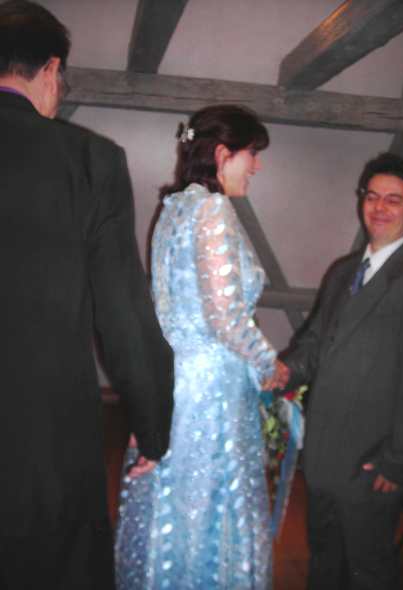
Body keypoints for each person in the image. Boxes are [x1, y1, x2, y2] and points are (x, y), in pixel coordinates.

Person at [0, 2, 173, 589]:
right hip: (43, 442)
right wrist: (153, 426)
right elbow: (123, 312)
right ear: (51, 69)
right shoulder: (90, 160)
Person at [115, 104, 289, 590]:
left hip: (176, 380)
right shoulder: (212, 209)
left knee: (176, 501)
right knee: (209, 502)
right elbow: (225, 316)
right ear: (222, 154)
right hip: (211, 389)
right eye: (252, 154)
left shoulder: (173, 209)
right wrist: (269, 363)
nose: (257, 166)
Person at [284, 152, 403, 590]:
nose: (379, 207)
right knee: (323, 557)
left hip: (373, 462)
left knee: (367, 568)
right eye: (372, 196)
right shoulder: (343, 271)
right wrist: (281, 372)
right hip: (323, 452)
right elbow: (314, 343)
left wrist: (398, 463)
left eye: (393, 200)